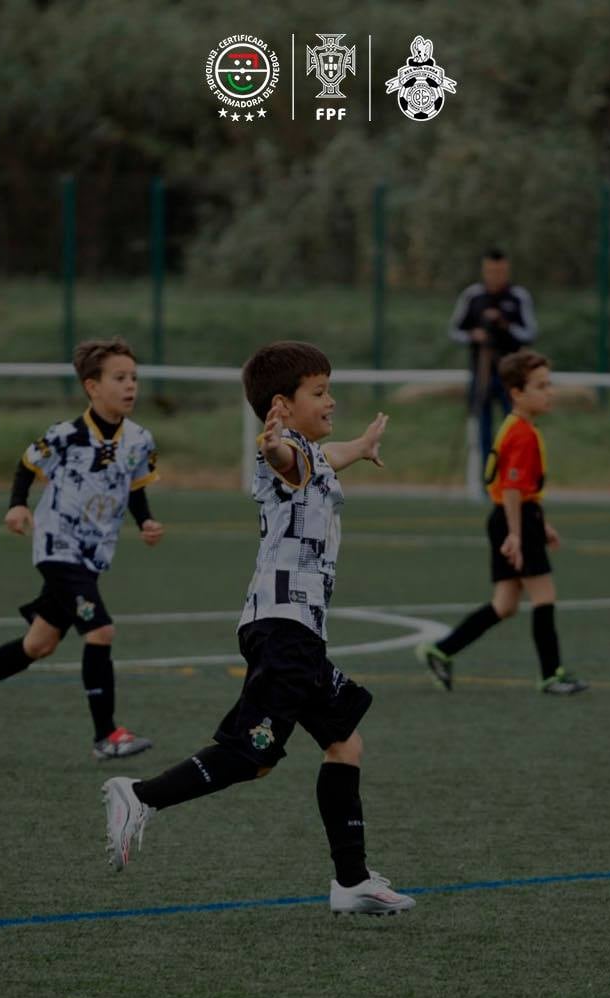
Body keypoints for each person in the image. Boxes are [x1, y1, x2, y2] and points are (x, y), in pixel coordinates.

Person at [101, 341, 414, 917]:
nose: (331, 400)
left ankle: (351, 881)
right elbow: (284, 459)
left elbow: (325, 456)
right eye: (319, 392)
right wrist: (271, 445)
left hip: (295, 631)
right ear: (282, 405)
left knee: (344, 741)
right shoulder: (285, 451)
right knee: (252, 756)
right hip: (283, 628)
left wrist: (361, 446)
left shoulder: (313, 452)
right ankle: (139, 796)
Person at [0, 336, 162, 759]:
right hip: (58, 545)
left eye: (134, 377)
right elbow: (27, 465)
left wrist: (145, 520)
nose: (130, 385)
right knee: (100, 630)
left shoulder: (139, 440)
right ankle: (106, 736)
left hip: (93, 554)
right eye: (119, 378)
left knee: (38, 644)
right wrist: (17, 505)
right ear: (92, 386)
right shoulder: (65, 435)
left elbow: (133, 486)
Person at [417, 351, 588, 696]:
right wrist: (517, 534)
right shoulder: (522, 434)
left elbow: (520, 489)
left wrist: (540, 524)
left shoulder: (515, 426)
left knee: (505, 604)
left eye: (549, 384)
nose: (550, 392)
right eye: (541, 386)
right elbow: (511, 488)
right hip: (515, 518)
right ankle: (551, 675)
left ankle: (441, 650)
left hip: (514, 517)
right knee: (544, 595)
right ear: (517, 393)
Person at [448, 249, 538, 472]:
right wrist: (474, 335)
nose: (495, 276)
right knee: (483, 432)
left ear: (507, 270)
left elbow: (530, 333)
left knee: (514, 429)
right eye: (490, 271)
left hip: (511, 377)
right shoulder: (473, 296)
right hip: (482, 373)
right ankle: (488, 479)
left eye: (500, 271)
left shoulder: (518, 296)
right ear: (484, 270)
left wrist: (505, 326)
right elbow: (454, 331)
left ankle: (513, 475)